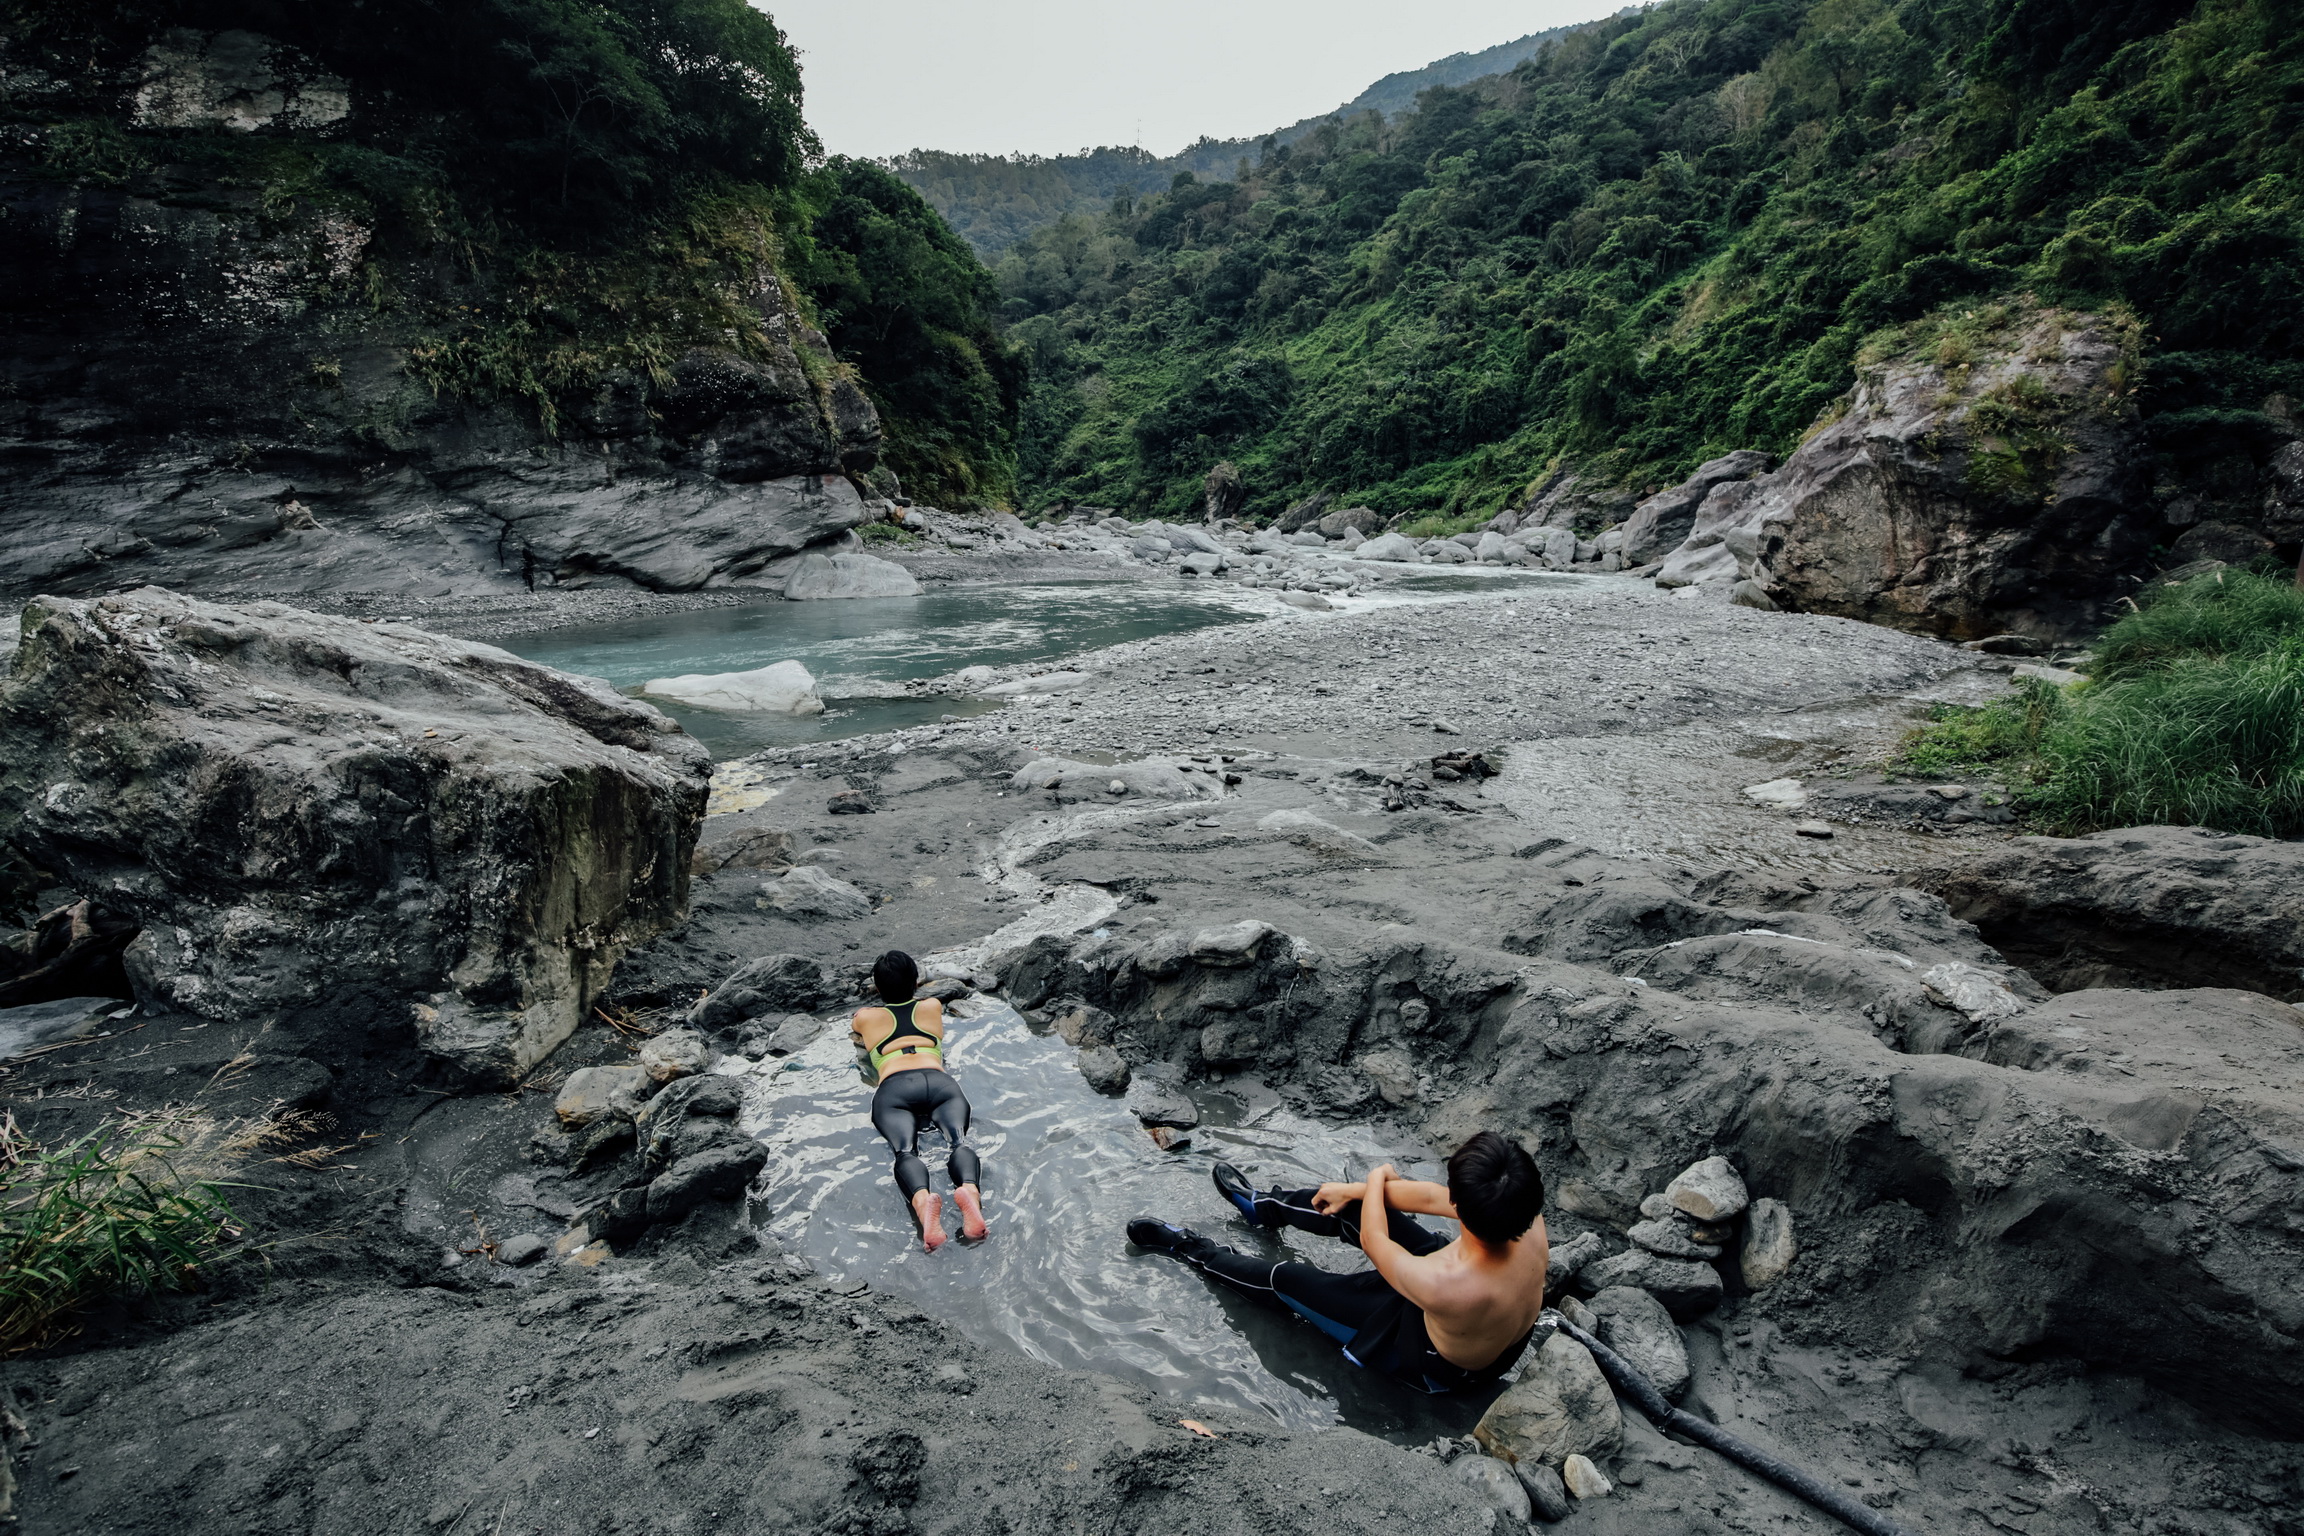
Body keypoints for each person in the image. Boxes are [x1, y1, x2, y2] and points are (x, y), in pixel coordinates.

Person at [1127, 1131, 1546, 1393]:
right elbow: (1435, 1199)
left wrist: (1378, 1178)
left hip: (1428, 1358)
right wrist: (1354, 1189)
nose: (1446, 1194)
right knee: (1350, 1205)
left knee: (1287, 1280)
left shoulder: (1444, 1285)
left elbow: (1374, 1238)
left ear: (1464, 1208)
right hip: (1472, 1313)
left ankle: (1190, 1250)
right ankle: (1262, 1207)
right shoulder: (1525, 1215)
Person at [850, 950, 988, 1251]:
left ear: (877, 987)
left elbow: (858, 1038)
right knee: (959, 1142)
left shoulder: (864, 1017)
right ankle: (968, 1191)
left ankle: (924, 1202)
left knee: (905, 1152)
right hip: (939, 1083)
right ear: (916, 982)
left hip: (895, 1087)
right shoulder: (932, 1006)